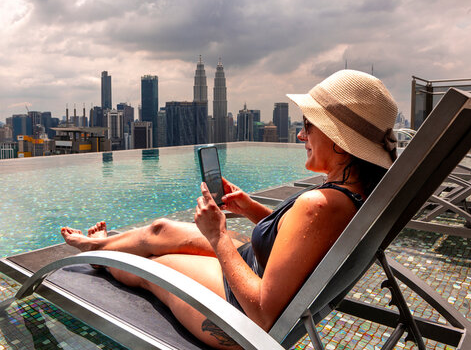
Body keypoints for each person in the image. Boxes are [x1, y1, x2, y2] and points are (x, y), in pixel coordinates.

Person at [61, 69, 398, 349]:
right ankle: (97, 246)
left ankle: (100, 258)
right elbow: (304, 244)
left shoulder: (320, 206)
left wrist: (218, 233)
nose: (300, 135)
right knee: (161, 230)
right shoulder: (350, 194)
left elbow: (263, 314)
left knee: (153, 266)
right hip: (257, 268)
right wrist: (251, 209)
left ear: (338, 139)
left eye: (308, 126)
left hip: (241, 316)